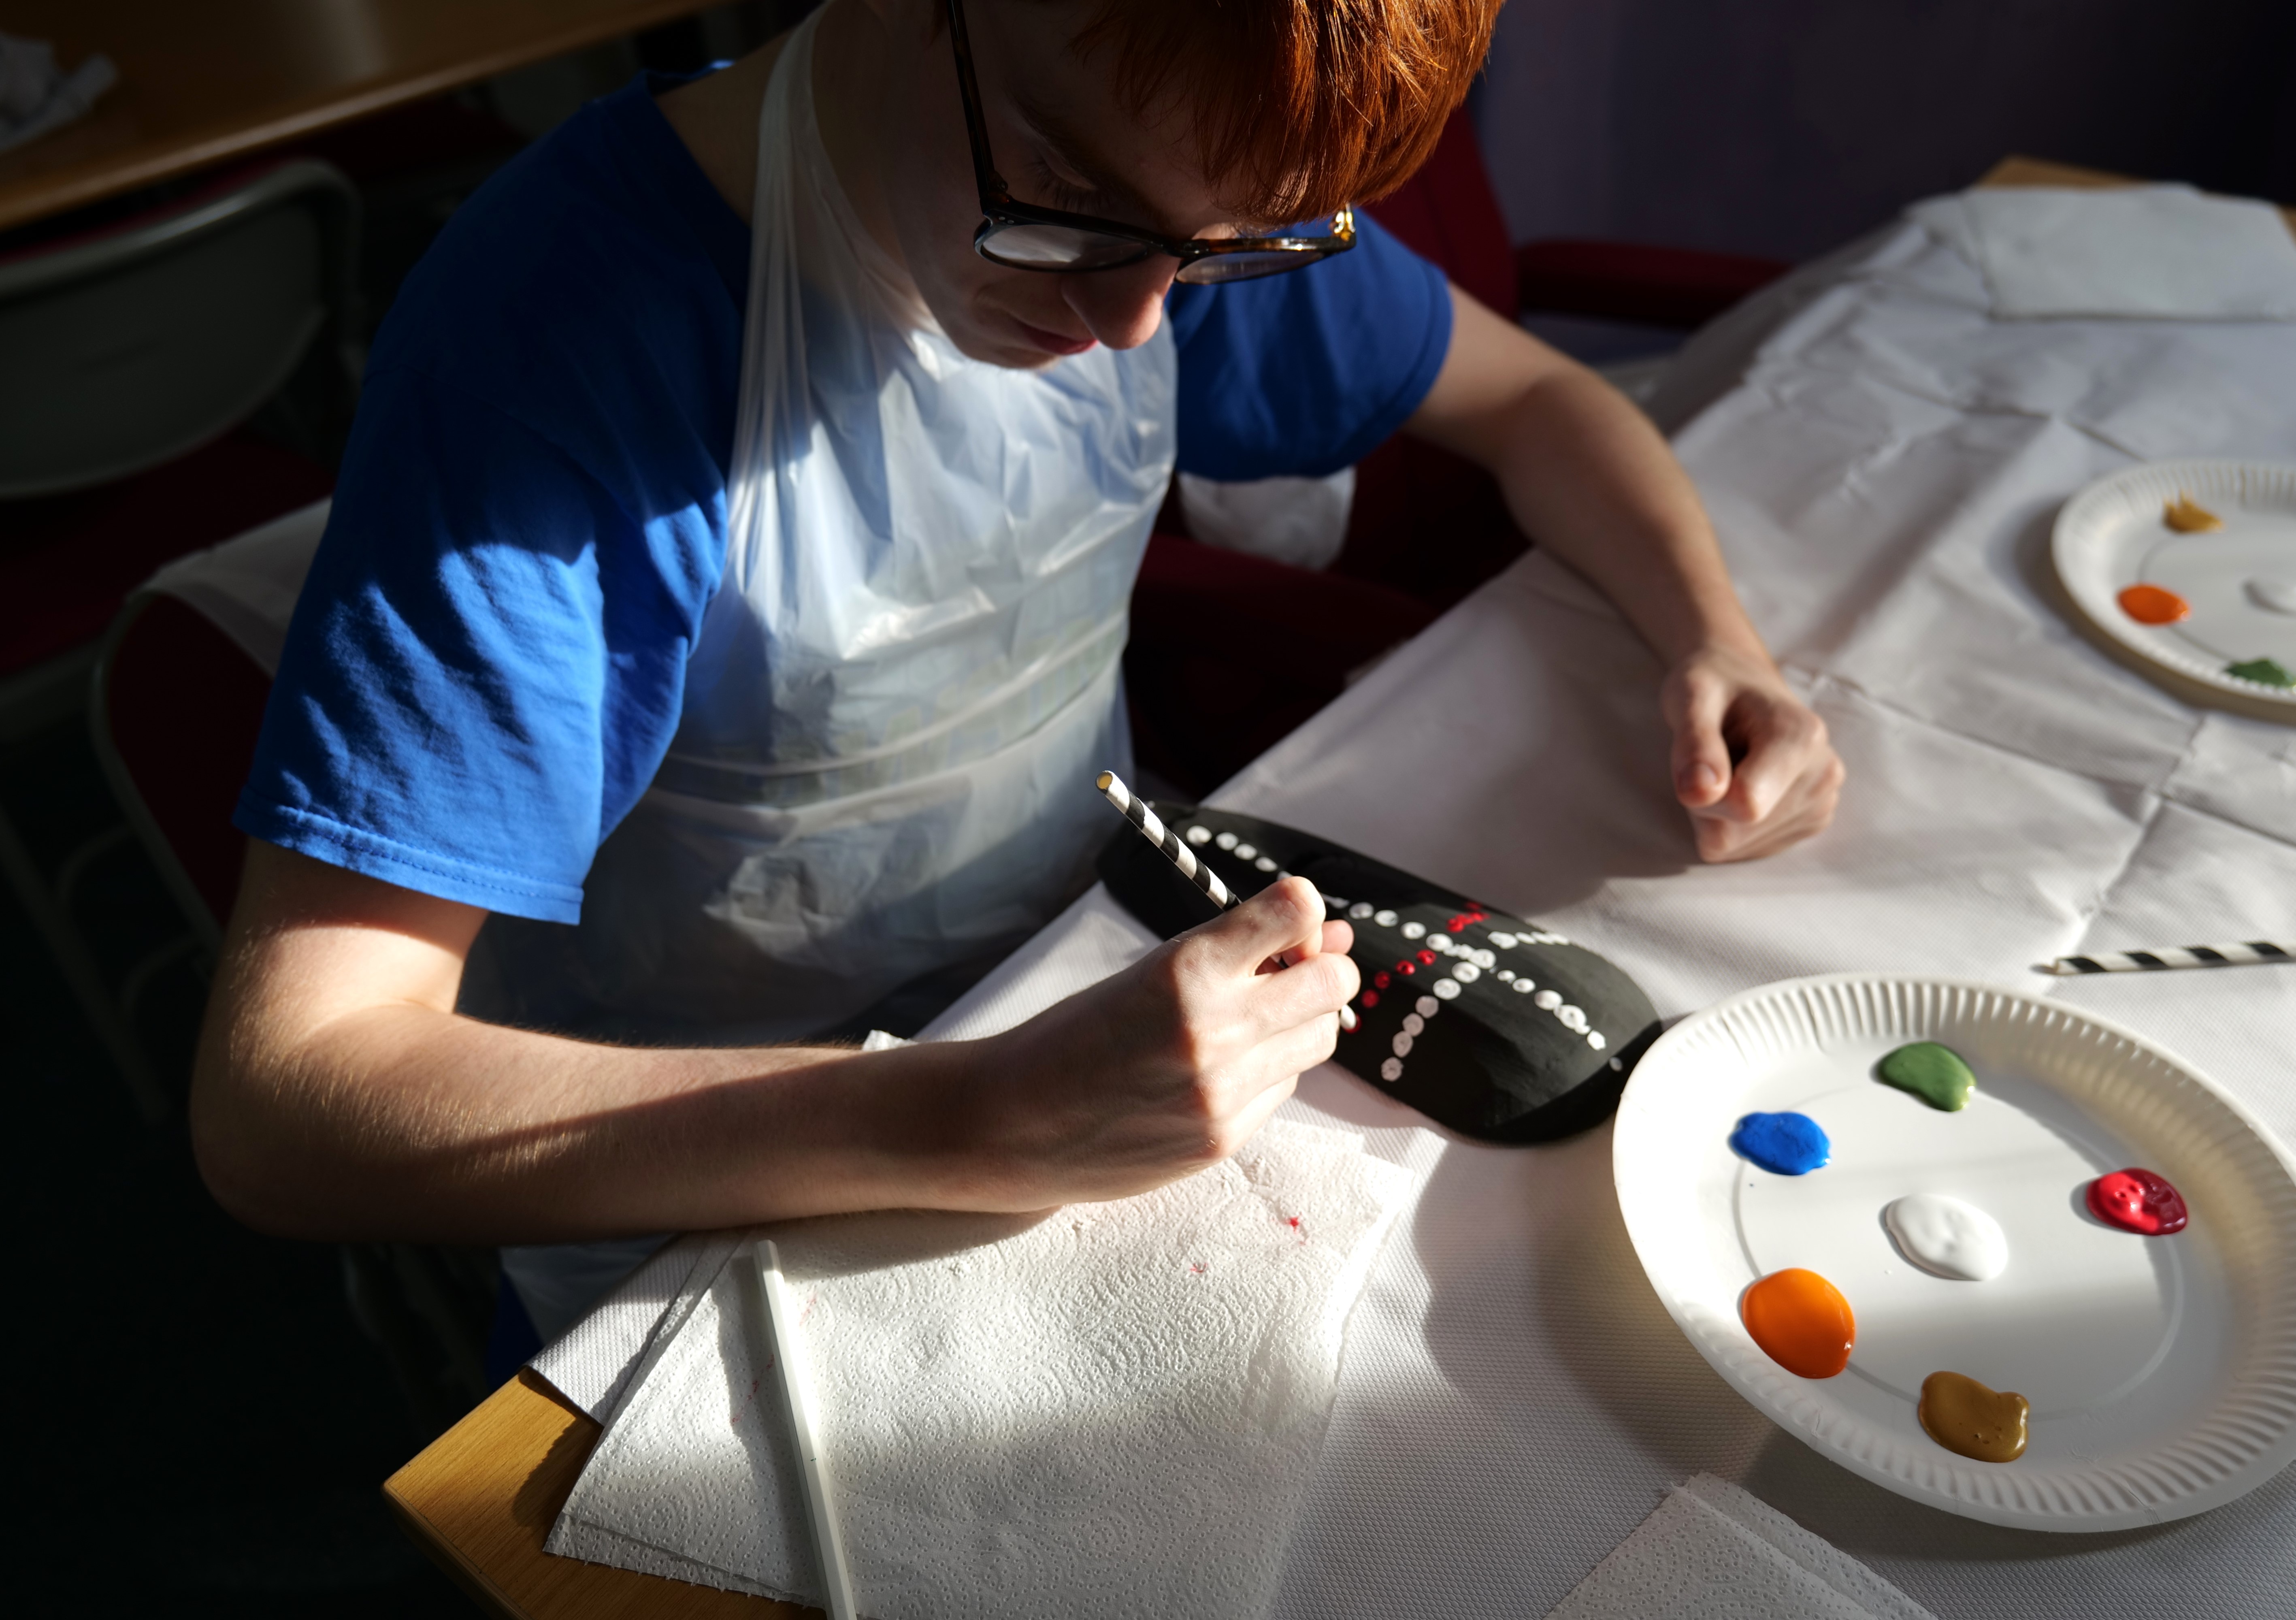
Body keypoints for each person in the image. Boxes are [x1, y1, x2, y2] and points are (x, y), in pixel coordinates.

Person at [192, 0, 1843, 1337]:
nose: (1136, 321)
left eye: (1215, 255)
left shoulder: (1165, 157)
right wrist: (967, 1121)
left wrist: (1714, 634)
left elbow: (1541, 404)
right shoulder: (558, 349)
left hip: (1075, 985)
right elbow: (291, 1095)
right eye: (1072, 211)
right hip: (687, 1171)